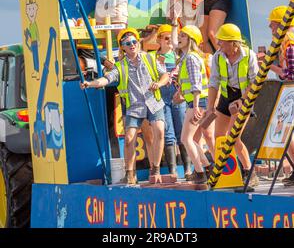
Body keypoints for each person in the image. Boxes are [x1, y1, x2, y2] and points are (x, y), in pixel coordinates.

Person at [80, 27, 169, 185]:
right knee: (129, 139)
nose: (132, 44)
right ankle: (130, 174)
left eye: (134, 41)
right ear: (122, 46)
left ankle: (155, 169)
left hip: (153, 103)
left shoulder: (149, 58)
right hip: (134, 106)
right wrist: (90, 83)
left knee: (159, 131)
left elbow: (165, 75)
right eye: (128, 43)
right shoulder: (119, 66)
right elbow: (106, 79)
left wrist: (159, 84)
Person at [207, 23, 260, 187]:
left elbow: (256, 82)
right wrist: (210, 108)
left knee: (233, 136)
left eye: (222, 41)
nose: (219, 44)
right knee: (219, 137)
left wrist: (242, 100)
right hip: (225, 98)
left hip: (243, 98)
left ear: (233, 43)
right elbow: (213, 83)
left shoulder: (249, 56)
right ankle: (226, 175)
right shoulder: (217, 56)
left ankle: (249, 172)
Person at [264, 6, 294, 186]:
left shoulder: (290, 44)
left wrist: (270, 66)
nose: (270, 29)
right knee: (283, 133)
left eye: (272, 25)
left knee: (284, 133)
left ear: (280, 25)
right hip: (290, 94)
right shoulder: (284, 44)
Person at [154, 25, 191, 177]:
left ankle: (188, 169)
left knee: (182, 131)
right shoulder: (153, 57)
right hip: (162, 98)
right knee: (168, 134)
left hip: (178, 96)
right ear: (159, 40)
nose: (169, 41)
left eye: (171, 38)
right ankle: (173, 172)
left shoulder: (179, 57)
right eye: (166, 38)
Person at [177, 25, 213, 184]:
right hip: (198, 101)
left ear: (191, 40)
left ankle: (200, 173)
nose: (179, 37)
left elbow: (196, 83)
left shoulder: (191, 58)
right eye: (180, 35)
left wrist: (196, 106)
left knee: (186, 139)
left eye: (183, 36)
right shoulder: (189, 57)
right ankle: (208, 168)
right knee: (195, 140)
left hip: (197, 102)